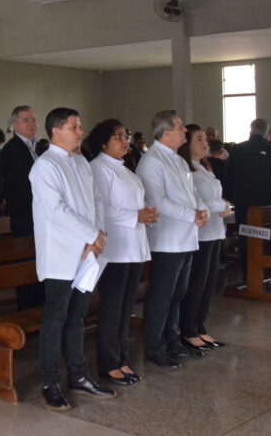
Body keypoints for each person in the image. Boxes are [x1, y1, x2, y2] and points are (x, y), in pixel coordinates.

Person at [32, 107, 114, 410]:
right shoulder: (45, 166)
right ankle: (48, 381)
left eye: (80, 127)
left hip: (86, 254)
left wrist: (99, 234)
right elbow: (56, 211)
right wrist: (91, 235)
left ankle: (78, 375)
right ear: (56, 130)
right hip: (60, 255)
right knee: (55, 320)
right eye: (74, 127)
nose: (81, 132)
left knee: (77, 316)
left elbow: (96, 200)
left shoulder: (80, 162)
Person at [137, 110, 208, 369]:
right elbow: (158, 202)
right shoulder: (152, 160)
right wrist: (192, 214)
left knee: (178, 293)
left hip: (186, 236)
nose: (184, 131)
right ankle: (155, 347)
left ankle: (173, 342)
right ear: (165, 132)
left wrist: (202, 211)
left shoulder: (177, 160)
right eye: (179, 127)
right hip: (166, 240)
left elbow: (192, 193)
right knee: (162, 295)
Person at [87, 119, 155, 386]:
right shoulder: (99, 169)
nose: (125, 140)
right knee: (112, 307)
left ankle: (121, 358)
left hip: (133, 246)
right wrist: (135, 215)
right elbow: (101, 209)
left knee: (126, 307)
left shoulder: (125, 168)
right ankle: (108, 363)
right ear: (103, 143)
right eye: (118, 137)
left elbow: (134, 201)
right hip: (114, 249)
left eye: (125, 135)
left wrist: (146, 212)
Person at [178, 124, 233, 351]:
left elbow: (214, 196)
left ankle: (200, 326)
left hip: (215, 230)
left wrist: (224, 204)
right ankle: (189, 330)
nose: (205, 143)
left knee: (208, 282)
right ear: (187, 144)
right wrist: (220, 205)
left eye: (204, 139)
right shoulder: (187, 169)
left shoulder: (204, 166)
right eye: (199, 139)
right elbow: (195, 199)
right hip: (200, 233)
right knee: (196, 282)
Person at [223, 118, 271, 280]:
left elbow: (228, 176)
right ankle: (258, 274)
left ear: (251, 130)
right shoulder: (269, 149)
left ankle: (248, 274)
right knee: (261, 238)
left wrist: (227, 198)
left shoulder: (238, 149)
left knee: (245, 237)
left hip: (242, 203)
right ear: (267, 133)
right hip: (264, 203)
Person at [2, 105, 44, 309]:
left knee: (41, 264)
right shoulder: (11, 150)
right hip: (24, 216)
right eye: (26, 121)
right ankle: (27, 308)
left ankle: (40, 307)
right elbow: (21, 185)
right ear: (14, 125)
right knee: (27, 265)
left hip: (41, 217)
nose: (32, 125)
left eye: (34, 120)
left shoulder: (40, 147)